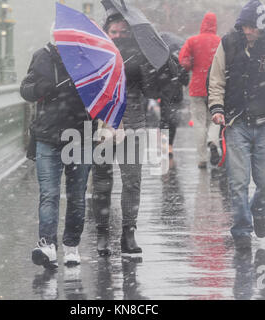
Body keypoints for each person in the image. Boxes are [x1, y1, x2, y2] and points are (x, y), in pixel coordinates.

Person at [208, 0, 265, 249]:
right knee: (237, 181)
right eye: (244, 26)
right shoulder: (228, 43)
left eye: (253, 27)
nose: (248, 32)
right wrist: (217, 108)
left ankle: (258, 211)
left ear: (263, 27)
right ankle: (242, 230)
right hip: (236, 121)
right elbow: (216, 79)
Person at [20, 27, 96, 269]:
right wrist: (38, 89)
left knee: (76, 197)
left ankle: (72, 246)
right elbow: (25, 89)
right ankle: (47, 245)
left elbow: (98, 97)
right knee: (49, 195)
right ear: (54, 39)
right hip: (47, 136)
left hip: (79, 137)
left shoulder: (87, 61)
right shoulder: (41, 57)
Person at [92, 9, 158, 257]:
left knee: (132, 181)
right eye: (114, 32)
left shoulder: (139, 55)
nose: (118, 36)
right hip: (102, 125)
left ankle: (128, 232)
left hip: (132, 124)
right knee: (101, 182)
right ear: (106, 32)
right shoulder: (95, 54)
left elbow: (151, 91)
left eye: (123, 32)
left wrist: (147, 71)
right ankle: (102, 233)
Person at [179, 12, 221, 169]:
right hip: (215, 88)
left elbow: (183, 61)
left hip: (197, 87)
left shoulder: (192, 41)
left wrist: (192, 63)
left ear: (202, 24)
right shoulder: (220, 42)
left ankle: (202, 158)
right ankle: (212, 141)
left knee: (198, 123)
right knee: (216, 119)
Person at [158, 33, 190, 157]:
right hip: (176, 94)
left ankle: (166, 145)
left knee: (165, 119)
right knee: (173, 120)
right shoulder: (179, 60)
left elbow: (156, 78)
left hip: (165, 94)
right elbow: (185, 80)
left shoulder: (160, 60)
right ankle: (169, 145)